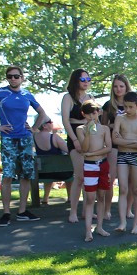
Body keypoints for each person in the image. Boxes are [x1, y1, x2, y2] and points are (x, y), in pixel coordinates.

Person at [0, 65, 48, 226]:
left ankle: (22, 210)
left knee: (26, 175)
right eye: (10, 76)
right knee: (7, 175)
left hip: (25, 138)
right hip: (8, 138)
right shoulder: (0, 93)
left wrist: (34, 129)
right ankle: (6, 212)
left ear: (22, 77)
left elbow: (43, 113)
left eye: (16, 76)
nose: (13, 79)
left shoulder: (27, 94)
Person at [111, 91, 137, 233]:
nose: (127, 110)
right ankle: (122, 222)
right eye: (125, 106)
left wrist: (125, 142)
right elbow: (115, 140)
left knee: (136, 190)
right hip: (122, 156)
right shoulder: (120, 119)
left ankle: (136, 223)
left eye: (130, 107)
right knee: (123, 189)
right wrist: (133, 141)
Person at [60, 68, 95, 223]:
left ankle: (87, 210)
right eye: (83, 79)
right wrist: (74, 139)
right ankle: (73, 211)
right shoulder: (68, 98)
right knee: (79, 176)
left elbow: (94, 120)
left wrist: (81, 122)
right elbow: (66, 121)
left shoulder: (90, 98)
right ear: (76, 81)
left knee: (89, 176)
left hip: (90, 138)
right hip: (75, 138)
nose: (86, 82)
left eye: (88, 79)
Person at [101, 74, 136, 225]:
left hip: (130, 146)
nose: (118, 89)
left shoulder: (134, 104)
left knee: (130, 180)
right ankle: (107, 209)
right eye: (115, 86)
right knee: (110, 178)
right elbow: (102, 126)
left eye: (121, 86)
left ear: (126, 87)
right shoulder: (108, 106)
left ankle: (128, 209)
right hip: (114, 146)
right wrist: (114, 126)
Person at [76, 102, 112, 242]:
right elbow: (84, 148)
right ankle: (88, 230)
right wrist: (89, 133)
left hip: (102, 164)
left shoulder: (104, 129)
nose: (92, 116)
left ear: (99, 113)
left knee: (101, 196)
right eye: (89, 114)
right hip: (90, 166)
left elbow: (108, 148)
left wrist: (93, 154)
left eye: (94, 113)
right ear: (84, 114)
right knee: (90, 198)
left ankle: (100, 227)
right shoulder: (81, 129)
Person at [32, 115, 68, 206]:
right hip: (60, 172)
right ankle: (71, 197)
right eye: (50, 122)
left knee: (48, 171)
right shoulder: (54, 137)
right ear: (44, 125)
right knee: (70, 171)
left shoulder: (34, 137)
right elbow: (68, 150)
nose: (52, 123)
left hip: (42, 172)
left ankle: (45, 198)